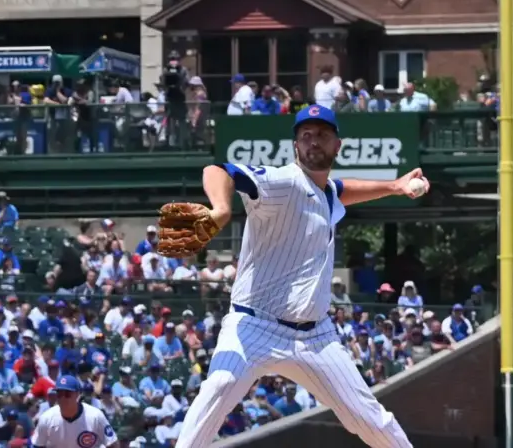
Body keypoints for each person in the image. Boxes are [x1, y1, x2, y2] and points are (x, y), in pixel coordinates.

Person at [171, 105, 418, 448]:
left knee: (369, 417)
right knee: (218, 388)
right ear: (295, 147)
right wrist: (222, 209)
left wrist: (395, 186)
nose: (314, 141)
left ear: (337, 146)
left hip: (316, 337)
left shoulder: (327, 191)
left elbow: (342, 189)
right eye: (306, 136)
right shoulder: (282, 182)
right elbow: (219, 169)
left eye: (322, 135)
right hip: (255, 326)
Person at [31, 374, 119, 448]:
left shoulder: (95, 416)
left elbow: (112, 444)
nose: (63, 398)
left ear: (77, 394)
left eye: (67, 394)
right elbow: (38, 445)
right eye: (59, 394)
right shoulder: (46, 418)